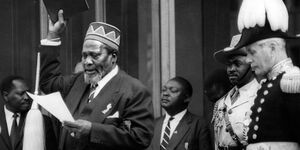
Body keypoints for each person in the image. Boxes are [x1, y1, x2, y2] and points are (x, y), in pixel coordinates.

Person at [39, 10, 154, 150]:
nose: (87, 62)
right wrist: (53, 35)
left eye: (95, 55)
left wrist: (92, 131)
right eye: (84, 55)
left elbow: (140, 138)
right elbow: (47, 82)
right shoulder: (77, 81)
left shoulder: (133, 90)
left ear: (113, 57)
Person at [228, 0, 300, 149]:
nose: (248, 59)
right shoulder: (270, 83)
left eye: (252, 52)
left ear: (272, 48)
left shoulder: (291, 81)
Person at [212, 34, 260, 150]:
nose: (231, 69)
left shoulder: (260, 97)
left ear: (251, 64)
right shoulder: (221, 103)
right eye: (229, 64)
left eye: (237, 64)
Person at [148, 76, 212, 150]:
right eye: (163, 90)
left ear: (186, 97)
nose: (165, 94)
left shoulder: (199, 124)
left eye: (173, 90)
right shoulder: (153, 124)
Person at [0, 75, 58, 150]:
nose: (26, 97)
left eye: (27, 93)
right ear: (6, 96)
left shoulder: (43, 121)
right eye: (21, 94)